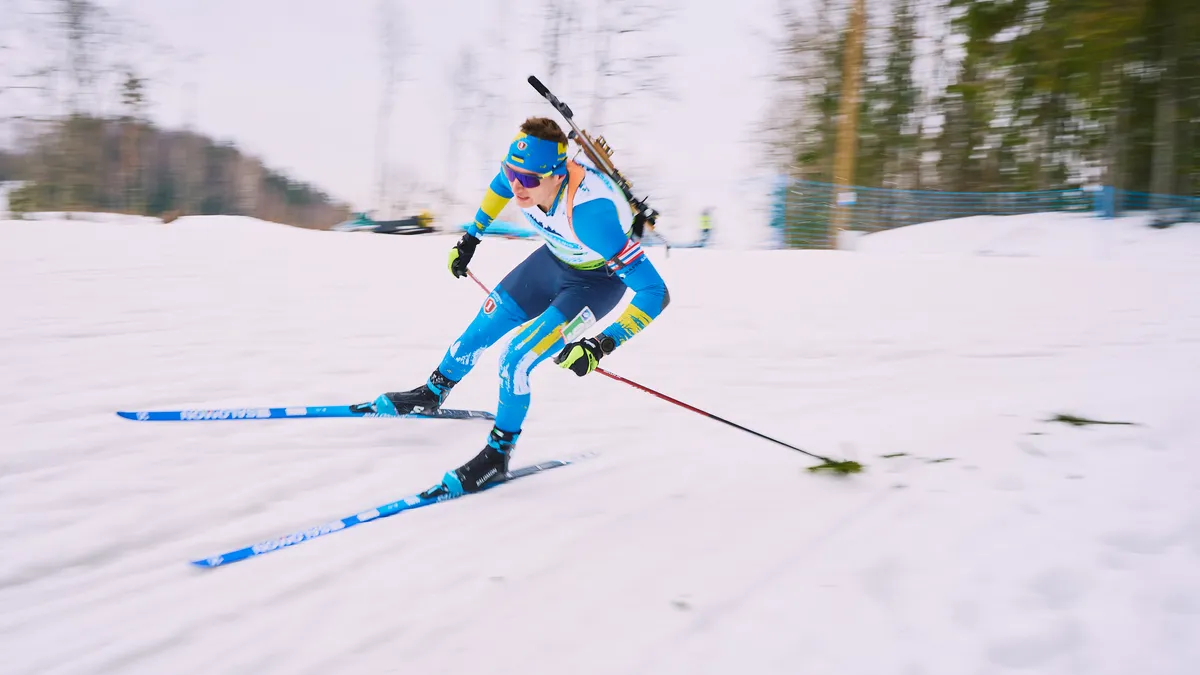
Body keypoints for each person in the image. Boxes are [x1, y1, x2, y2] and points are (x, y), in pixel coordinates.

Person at [364, 116, 670, 496]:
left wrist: (602, 345)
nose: (516, 186)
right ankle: (433, 391)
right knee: (483, 324)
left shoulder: (593, 215)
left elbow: (655, 292)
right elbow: (498, 189)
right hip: (552, 262)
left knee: (516, 359)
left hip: (593, 286)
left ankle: (497, 455)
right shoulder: (524, 176)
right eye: (513, 172)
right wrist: (471, 238)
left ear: (558, 175)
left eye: (528, 180)